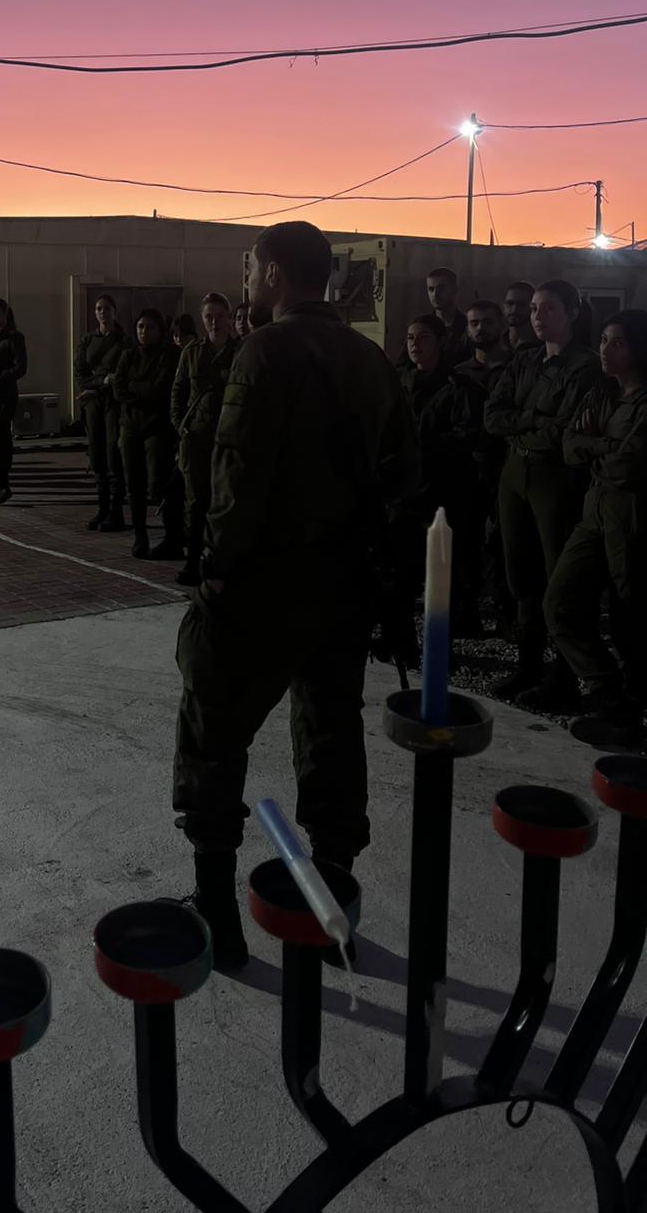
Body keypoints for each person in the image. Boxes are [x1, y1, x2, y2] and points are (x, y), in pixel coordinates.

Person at [173, 221, 417, 971]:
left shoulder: (264, 351)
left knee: (213, 729)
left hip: (263, 583)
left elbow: (237, 469)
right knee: (331, 730)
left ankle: (218, 913)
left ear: (276, 273)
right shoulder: (370, 358)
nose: (247, 279)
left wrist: (216, 566)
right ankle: (329, 902)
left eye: (252, 267)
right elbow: (403, 476)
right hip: (342, 585)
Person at [483, 279, 603, 707]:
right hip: (516, 471)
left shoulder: (586, 367)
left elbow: (563, 432)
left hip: (555, 478)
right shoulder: (526, 359)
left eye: (549, 308)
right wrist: (534, 420)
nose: (537, 316)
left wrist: (523, 420)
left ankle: (564, 678)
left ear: (572, 313)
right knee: (521, 572)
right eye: (534, 308)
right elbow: (493, 416)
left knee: (558, 576)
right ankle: (529, 664)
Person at [545, 310, 647, 750]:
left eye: (618, 342)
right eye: (603, 339)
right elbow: (570, 447)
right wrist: (604, 446)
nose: (606, 350)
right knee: (560, 602)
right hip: (595, 511)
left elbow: (629, 466)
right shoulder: (601, 392)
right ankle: (610, 695)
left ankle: (632, 717)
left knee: (632, 616)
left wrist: (595, 448)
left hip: (632, 515)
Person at [394, 314, 486, 645]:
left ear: (440, 341)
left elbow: (466, 436)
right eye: (410, 338)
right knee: (401, 568)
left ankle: (441, 643)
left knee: (443, 571)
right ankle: (401, 638)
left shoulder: (458, 387)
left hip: (444, 490)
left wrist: (423, 442)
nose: (415, 344)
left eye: (423, 337)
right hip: (406, 488)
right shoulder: (400, 382)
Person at [455, 299, 516, 636]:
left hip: (506, 466)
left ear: (500, 325)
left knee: (505, 543)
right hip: (468, 470)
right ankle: (468, 613)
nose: (480, 329)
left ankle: (508, 613)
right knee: (466, 542)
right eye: (474, 323)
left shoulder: (516, 368)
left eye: (487, 322)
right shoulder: (459, 374)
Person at [171, 292, 235, 587]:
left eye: (220, 316)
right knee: (195, 503)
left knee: (226, 503)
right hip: (196, 439)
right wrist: (181, 427)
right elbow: (178, 392)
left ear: (229, 319)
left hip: (228, 441)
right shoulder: (192, 353)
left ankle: (220, 562)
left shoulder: (241, 353)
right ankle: (193, 561)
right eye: (209, 317)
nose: (215, 322)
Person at [113, 308, 181, 559]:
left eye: (150, 327)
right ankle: (140, 536)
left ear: (160, 330)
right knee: (134, 484)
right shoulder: (128, 354)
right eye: (141, 326)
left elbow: (161, 389)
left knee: (159, 483)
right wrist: (139, 390)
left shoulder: (169, 355)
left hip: (157, 428)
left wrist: (134, 388)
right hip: (130, 427)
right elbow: (118, 388)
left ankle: (172, 536)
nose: (144, 332)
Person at [74, 294, 127, 532]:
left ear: (114, 311)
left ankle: (116, 512)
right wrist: (101, 381)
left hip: (114, 404)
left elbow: (123, 375)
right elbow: (80, 375)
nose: (102, 312)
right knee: (96, 455)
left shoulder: (124, 341)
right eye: (98, 308)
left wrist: (104, 383)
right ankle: (103, 509)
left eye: (106, 308)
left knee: (113, 453)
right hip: (93, 404)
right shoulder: (87, 341)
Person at [0, 297, 27, 505]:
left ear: (5, 313)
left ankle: (2, 481)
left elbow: (21, 367)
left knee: (1, 437)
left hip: (4, 394)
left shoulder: (14, 338)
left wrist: (0, 378)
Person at [423, 267, 471, 367]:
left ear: (455, 290)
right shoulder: (422, 326)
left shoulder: (468, 326)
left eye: (441, 288)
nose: (435, 294)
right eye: (431, 289)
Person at [503, 282, 537, 355]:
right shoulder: (496, 343)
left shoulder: (543, 346)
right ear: (503, 306)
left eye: (522, 304)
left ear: (533, 308)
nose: (514, 310)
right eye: (510, 303)